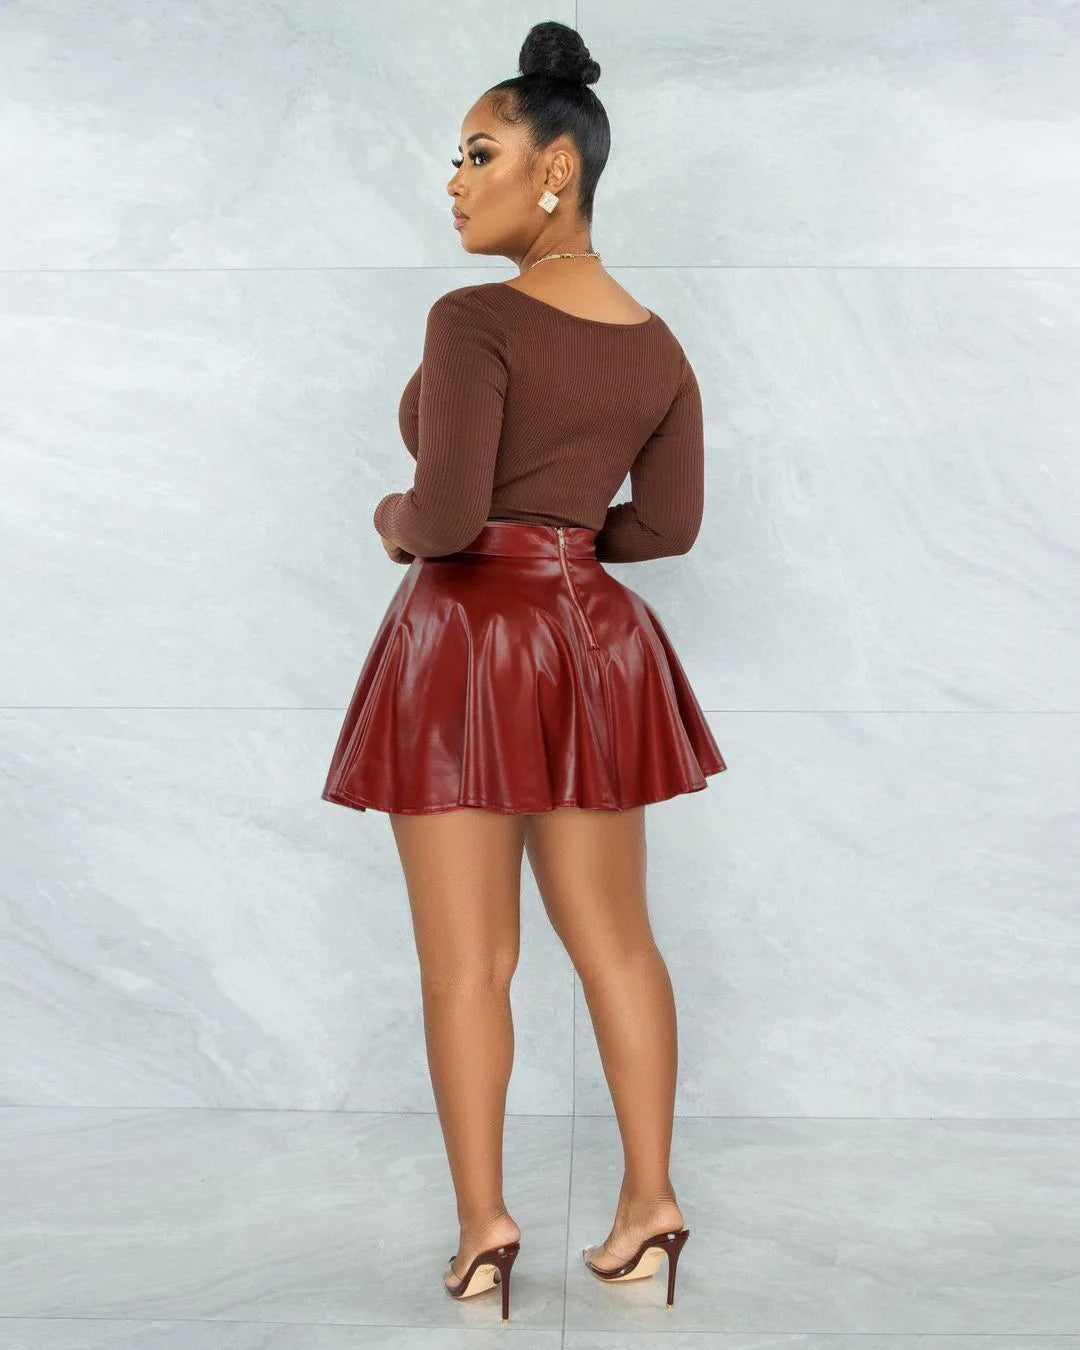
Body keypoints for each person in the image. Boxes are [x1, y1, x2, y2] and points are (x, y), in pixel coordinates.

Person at [321, 20, 725, 1320]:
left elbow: (444, 519)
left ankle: (485, 1231)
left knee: (468, 964)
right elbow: (669, 528)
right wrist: (572, 544)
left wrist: (394, 518)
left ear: (557, 168)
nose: (454, 180)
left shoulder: (474, 318)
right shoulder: (659, 346)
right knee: (620, 945)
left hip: (467, 640)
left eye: (477, 152)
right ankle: (651, 1209)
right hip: (595, 642)